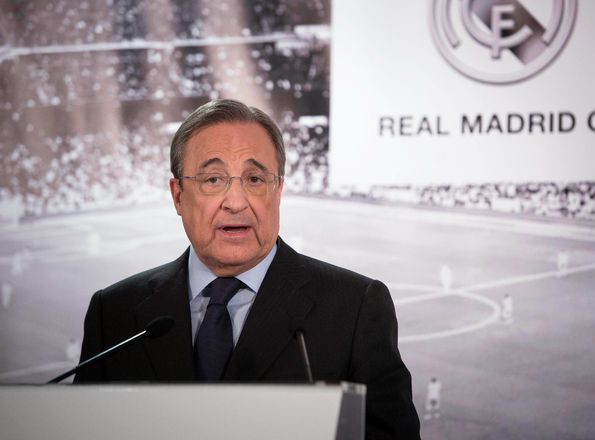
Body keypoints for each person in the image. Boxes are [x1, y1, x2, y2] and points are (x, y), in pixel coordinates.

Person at [74, 99, 420, 439]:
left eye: (255, 179)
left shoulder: (355, 307)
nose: (236, 202)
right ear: (178, 196)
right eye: (213, 179)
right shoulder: (115, 312)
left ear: (278, 190)